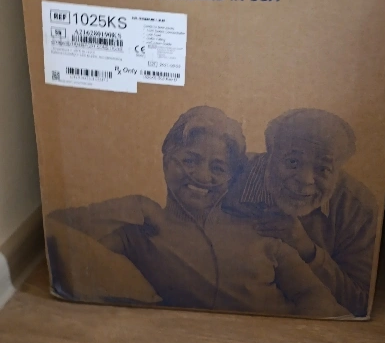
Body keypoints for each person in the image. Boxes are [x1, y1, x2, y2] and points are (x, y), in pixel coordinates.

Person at [49, 106, 349, 318]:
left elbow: (316, 298)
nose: (203, 177)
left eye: (218, 168)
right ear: (167, 160)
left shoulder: (261, 230)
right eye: (190, 161)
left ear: (232, 178)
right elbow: (58, 232)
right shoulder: (140, 234)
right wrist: (133, 205)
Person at [222, 108, 378, 318]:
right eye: (292, 162)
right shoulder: (228, 179)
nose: (305, 180)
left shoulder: (357, 209)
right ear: (270, 154)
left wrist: (308, 251)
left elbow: (361, 303)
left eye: (323, 169)